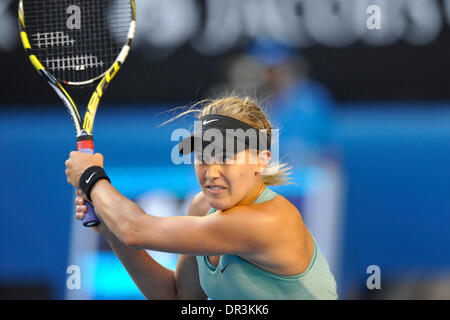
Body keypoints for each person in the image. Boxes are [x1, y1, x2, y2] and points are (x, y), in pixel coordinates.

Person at [65, 96, 338, 300]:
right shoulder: (202, 206)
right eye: (204, 157)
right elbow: (177, 297)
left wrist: (90, 177)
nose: (212, 172)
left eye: (225, 157)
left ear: (261, 160)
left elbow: (135, 229)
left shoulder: (268, 221)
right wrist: (111, 233)